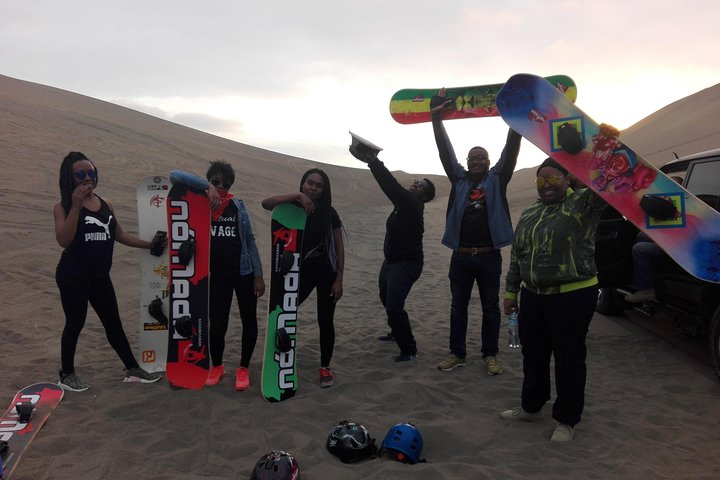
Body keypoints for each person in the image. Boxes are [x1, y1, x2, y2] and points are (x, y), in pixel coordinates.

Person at [499, 157, 607, 442]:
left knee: (568, 358)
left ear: (568, 178)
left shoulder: (583, 203)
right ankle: (532, 408)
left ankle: (567, 419)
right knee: (533, 354)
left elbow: (607, 183)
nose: (546, 184)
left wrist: (600, 148)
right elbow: (518, 255)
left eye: (553, 178)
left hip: (573, 295)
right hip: (533, 295)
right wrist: (511, 291)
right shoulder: (531, 211)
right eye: (540, 179)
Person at [430, 89, 522, 376]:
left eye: (481, 157)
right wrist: (436, 119)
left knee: (490, 308)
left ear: (489, 161)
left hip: (488, 256)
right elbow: (445, 152)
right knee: (458, 307)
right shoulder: (458, 179)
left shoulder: (498, 178)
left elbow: (511, 148)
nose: (476, 161)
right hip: (461, 256)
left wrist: (514, 118)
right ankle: (457, 353)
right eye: (472, 157)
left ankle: (489, 355)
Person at [54, 151, 161, 392]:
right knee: (75, 322)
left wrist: (149, 244)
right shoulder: (62, 207)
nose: (87, 178)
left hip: (99, 277)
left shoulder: (106, 203)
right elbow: (63, 240)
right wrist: (76, 206)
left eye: (91, 173)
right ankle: (67, 375)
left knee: (113, 322)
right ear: (70, 178)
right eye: (80, 174)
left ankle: (132, 370)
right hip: (73, 276)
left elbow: (119, 235)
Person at [169, 161, 265, 391]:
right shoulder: (198, 204)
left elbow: (249, 241)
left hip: (244, 272)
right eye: (216, 182)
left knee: (248, 321)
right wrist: (207, 188)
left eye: (226, 184)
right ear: (209, 181)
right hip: (217, 275)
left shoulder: (237, 206)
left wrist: (259, 276)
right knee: (218, 323)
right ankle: (218, 366)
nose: (221, 186)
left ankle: (243, 368)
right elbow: (174, 175)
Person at [349, 143, 436, 362]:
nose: (415, 184)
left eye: (420, 185)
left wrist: (373, 162)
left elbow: (390, 185)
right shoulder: (402, 204)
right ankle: (396, 330)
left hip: (406, 264)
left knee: (395, 306)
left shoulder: (412, 203)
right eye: (416, 181)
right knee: (385, 297)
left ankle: (409, 349)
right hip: (391, 262)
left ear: (424, 196)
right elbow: (394, 191)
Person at [261, 168, 345, 387]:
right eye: (310, 183)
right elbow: (266, 203)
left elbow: (339, 245)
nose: (313, 188)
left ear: (324, 189)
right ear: (303, 183)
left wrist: (339, 279)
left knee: (326, 320)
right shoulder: (291, 207)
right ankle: (280, 353)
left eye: (318, 185)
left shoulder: (329, 212)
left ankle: (325, 367)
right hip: (301, 270)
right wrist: (297, 196)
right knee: (285, 309)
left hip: (326, 270)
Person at [625, 176, 682, 303]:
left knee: (639, 249)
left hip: (678, 247)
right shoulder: (667, 202)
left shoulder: (683, 205)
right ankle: (650, 276)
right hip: (670, 241)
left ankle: (646, 289)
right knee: (641, 236)